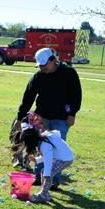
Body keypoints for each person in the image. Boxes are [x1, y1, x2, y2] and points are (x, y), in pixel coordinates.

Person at [16, 47, 81, 184]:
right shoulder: (38, 76)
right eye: (40, 66)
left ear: (53, 60)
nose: (42, 68)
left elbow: (76, 95)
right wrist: (20, 116)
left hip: (62, 118)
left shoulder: (69, 73)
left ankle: (54, 179)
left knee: (57, 148)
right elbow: (28, 97)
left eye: (44, 65)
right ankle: (39, 177)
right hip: (42, 116)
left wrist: (72, 114)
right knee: (41, 148)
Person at [20, 125, 75, 203]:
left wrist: (47, 174)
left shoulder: (44, 144)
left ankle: (43, 195)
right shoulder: (43, 141)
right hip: (60, 157)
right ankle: (45, 194)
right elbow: (48, 155)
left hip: (65, 159)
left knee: (48, 173)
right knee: (45, 172)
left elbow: (48, 159)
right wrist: (36, 160)